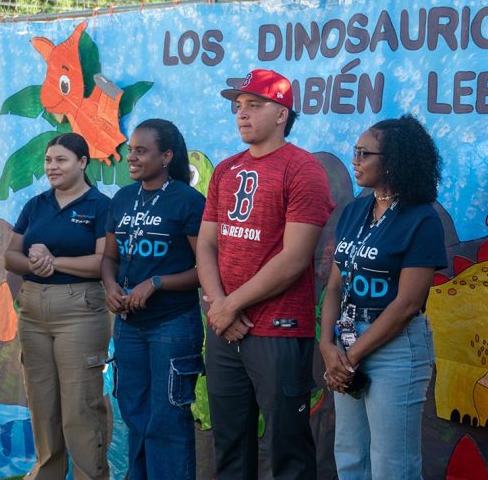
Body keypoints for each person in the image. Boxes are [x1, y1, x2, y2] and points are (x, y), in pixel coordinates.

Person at [197, 68, 334, 479]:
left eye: (254, 105)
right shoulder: (225, 170)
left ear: (282, 114)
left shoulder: (302, 169)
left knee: (286, 447)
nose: (242, 114)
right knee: (230, 443)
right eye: (238, 107)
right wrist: (221, 308)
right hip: (224, 329)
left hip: (277, 329)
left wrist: (230, 306)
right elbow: (205, 244)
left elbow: (295, 257)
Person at [319, 115, 447, 479]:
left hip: (395, 348)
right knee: (350, 454)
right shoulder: (355, 210)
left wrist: (349, 358)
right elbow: (333, 287)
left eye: (364, 153)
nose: (355, 160)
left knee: (393, 465)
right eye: (354, 152)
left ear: (393, 161)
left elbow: (407, 304)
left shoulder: (422, 219)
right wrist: (328, 346)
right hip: (346, 340)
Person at [101, 118, 205, 479]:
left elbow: (206, 270)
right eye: (130, 150)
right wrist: (111, 287)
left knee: (167, 419)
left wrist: (156, 283)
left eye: (141, 151)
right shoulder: (123, 198)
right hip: (128, 327)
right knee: (135, 414)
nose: (131, 157)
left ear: (166, 156)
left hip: (172, 326)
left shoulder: (189, 201)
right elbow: (109, 258)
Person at [4, 133, 111, 480]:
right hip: (33, 311)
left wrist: (55, 260)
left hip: (80, 309)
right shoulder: (36, 204)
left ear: (83, 162)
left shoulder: (100, 205)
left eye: (61, 160)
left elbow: (103, 263)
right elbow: (10, 255)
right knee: (42, 404)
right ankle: (47, 472)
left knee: (80, 408)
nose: (52, 167)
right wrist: (34, 264)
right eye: (49, 160)